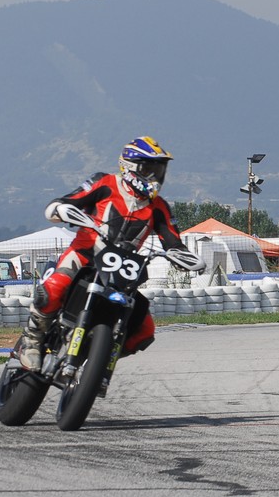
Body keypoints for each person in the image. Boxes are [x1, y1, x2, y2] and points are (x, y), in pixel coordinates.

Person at [15, 136, 200, 371]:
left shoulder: (159, 207)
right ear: (130, 167)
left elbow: (173, 241)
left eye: (159, 170)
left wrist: (183, 257)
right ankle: (31, 339)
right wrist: (61, 209)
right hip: (84, 255)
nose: (155, 176)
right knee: (54, 288)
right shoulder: (105, 183)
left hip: (121, 272)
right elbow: (68, 200)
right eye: (149, 169)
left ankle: (95, 361)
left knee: (145, 331)